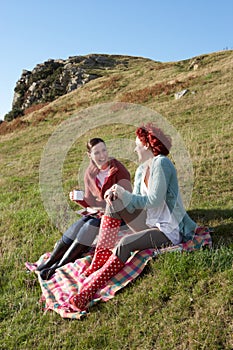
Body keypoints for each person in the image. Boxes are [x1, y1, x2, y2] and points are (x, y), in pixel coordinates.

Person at [69, 123, 204, 311]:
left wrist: (125, 194)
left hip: (168, 229)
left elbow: (154, 200)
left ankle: (88, 291)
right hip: (149, 222)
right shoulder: (141, 169)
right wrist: (117, 195)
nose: (134, 148)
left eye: (137, 144)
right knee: (114, 201)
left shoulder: (161, 163)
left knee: (125, 243)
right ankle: (100, 259)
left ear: (147, 145)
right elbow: (136, 203)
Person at [36, 137, 132, 279]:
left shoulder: (118, 169)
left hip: (120, 215)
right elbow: (91, 202)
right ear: (90, 155)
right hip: (100, 213)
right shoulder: (90, 173)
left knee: (91, 225)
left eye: (104, 150)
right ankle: (48, 263)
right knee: (78, 225)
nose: (102, 155)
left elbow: (128, 198)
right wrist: (80, 200)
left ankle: (57, 267)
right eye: (97, 153)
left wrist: (107, 207)